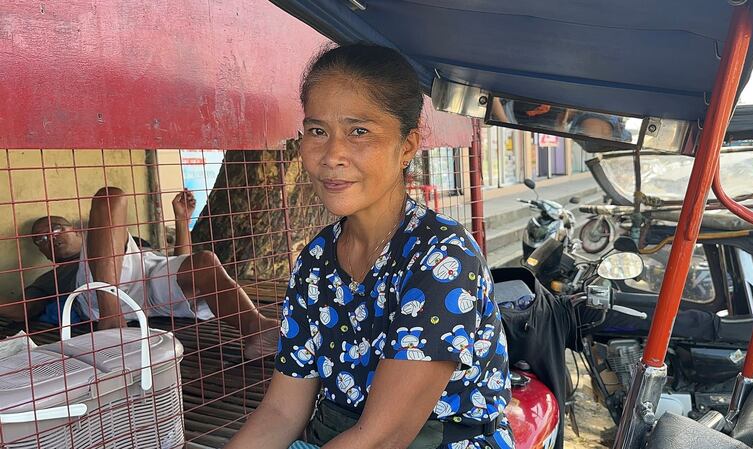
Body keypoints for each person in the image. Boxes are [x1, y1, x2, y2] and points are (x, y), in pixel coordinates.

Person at [227, 44, 514, 449]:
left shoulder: (441, 258)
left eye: (359, 131)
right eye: (317, 131)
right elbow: (281, 412)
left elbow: (382, 437)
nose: (332, 155)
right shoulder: (316, 262)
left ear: (408, 146)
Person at [0, 189, 278, 360]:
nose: (50, 239)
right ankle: (111, 321)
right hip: (100, 293)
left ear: (76, 230)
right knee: (110, 196)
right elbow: (20, 310)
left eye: (56, 230)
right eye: (41, 241)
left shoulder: (127, 241)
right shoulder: (51, 277)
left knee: (204, 261)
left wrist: (181, 219)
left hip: (146, 277)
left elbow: (177, 261)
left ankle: (256, 328)